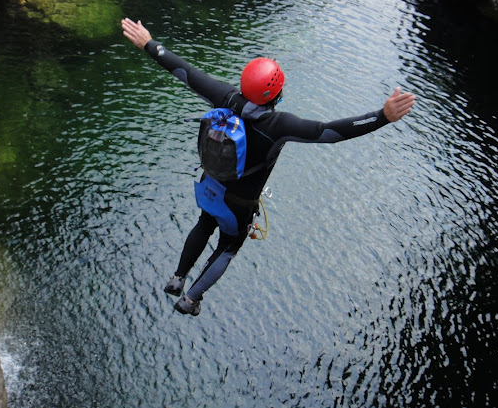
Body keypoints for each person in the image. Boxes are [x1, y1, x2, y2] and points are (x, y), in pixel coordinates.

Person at [121, 17, 416, 316]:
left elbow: (184, 71)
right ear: (275, 94)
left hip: (209, 186)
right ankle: (191, 299)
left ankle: (178, 277)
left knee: (204, 223)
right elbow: (331, 132)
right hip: (236, 207)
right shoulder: (279, 125)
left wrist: (149, 43)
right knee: (228, 247)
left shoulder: (223, 96)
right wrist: (382, 117)